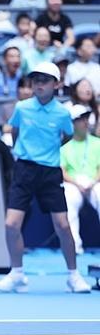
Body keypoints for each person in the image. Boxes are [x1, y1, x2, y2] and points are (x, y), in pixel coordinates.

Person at [0, 61, 92, 293]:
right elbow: (15, 133)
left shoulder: (63, 113)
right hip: (24, 170)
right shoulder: (22, 108)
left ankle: (73, 276)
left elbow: (66, 136)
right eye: (36, 80)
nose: (39, 84)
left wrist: (47, 153)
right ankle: (17, 274)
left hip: (50, 173)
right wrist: (27, 153)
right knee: (11, 224)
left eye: (45, 80)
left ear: (56, 85)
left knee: (63, 225)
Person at [60, 105, 100, 254]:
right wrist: (77, 184)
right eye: (80, 119)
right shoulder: (64, 148)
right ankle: (74, 245)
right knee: (68, 198)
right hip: (73, 184)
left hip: (94, 182)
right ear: (72, 123)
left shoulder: (98, 143)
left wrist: (93, 182)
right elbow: (63, 172)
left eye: (86, 118)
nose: (85, 122)